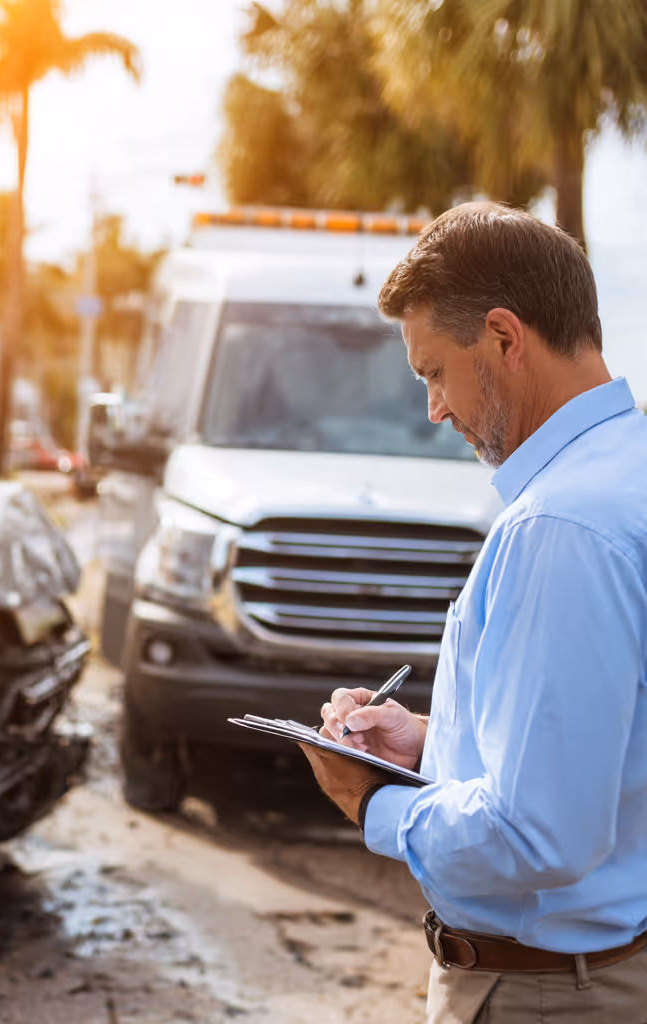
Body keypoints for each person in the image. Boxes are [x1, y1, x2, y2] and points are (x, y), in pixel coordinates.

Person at [301, 202, 647, 1023]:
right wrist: (431, 749)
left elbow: (541, 834)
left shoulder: (560, 526)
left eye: (433, 372)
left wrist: (373, 802)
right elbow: (609, 752)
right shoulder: (625, 475)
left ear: (503, 337)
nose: (435, 409)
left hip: (544, 994)